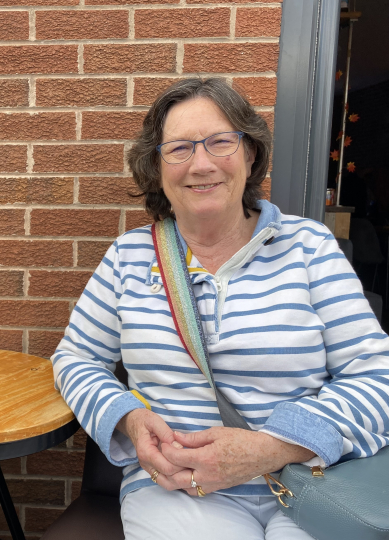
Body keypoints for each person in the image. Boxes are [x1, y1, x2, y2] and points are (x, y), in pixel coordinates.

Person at [52, 78, 389, 539]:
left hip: (313, 487)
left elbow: (377, 375)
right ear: (157, 166)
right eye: (179, 148)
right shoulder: (129, 257)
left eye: (220, 142)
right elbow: (75, 359)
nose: (202, 164)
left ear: (250, 154)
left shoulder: (309, 248)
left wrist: (273, 446)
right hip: (177, 492)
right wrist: (126, 416)